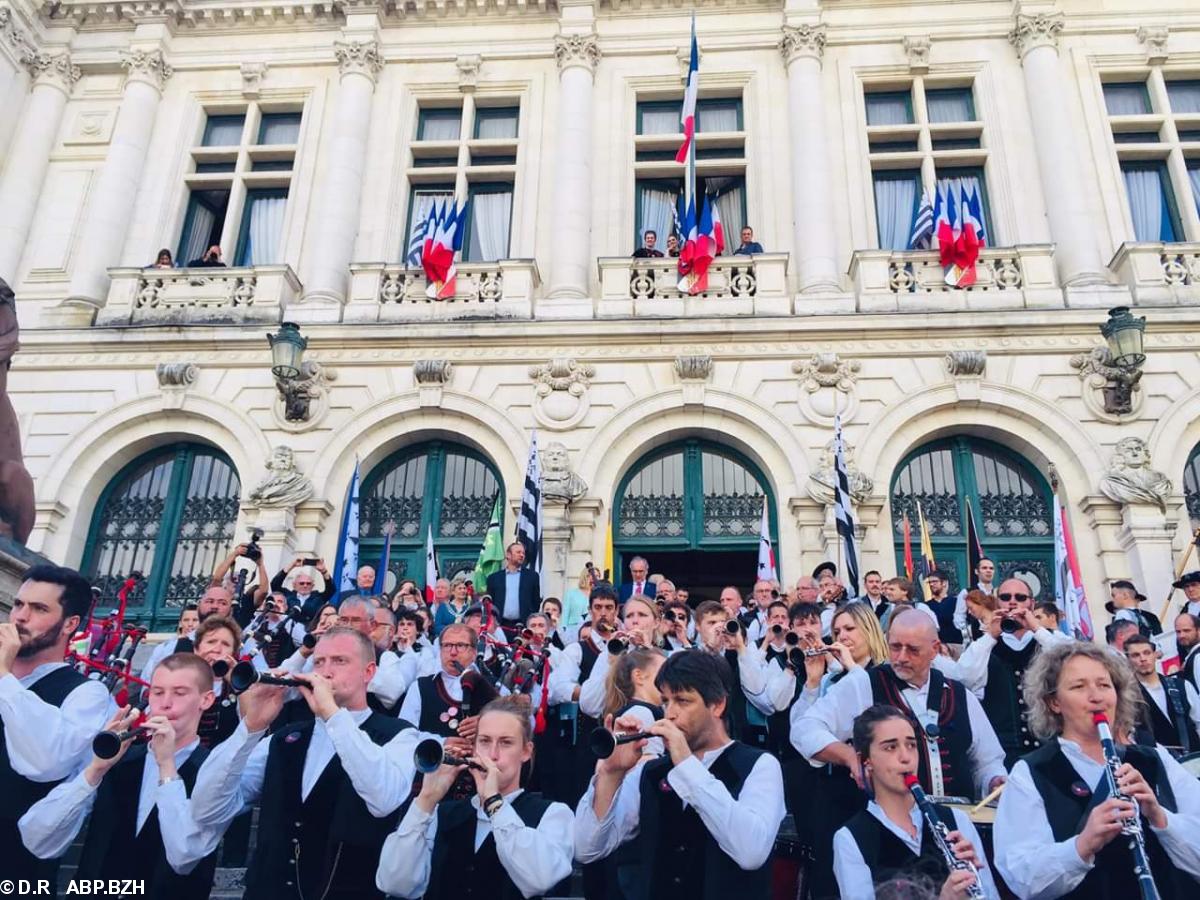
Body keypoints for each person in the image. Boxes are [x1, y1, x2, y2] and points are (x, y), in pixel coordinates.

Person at [191, 627, 421, 899]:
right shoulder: (284, 739)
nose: (325, 671)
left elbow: (384, 799)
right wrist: (250, 727)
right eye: (319, 662)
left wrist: (332, 714)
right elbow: (207, 809)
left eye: (340, 661)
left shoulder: (401, 736)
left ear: (368, 672)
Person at [994, 641, 1200, 898]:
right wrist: (1083, 845)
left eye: (1104, 685)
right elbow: (1022, 878)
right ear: (1054, 702)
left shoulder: (1155, 758)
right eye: (1079, 687)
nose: (1097, 697)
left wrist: (1160, 818)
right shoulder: (1031, 773)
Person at [575, 649, 785, 900]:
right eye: (665, 701)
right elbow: (587, 849)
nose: (670, 713)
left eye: (683, 701)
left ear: (717, 705)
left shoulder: (760, 765)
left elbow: (751, 853)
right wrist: (611, 774)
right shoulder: (651, 772)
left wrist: (686, 764)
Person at [19, 653, 227, 897]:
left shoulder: (213, 769)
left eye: (180, 693)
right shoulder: (118, 761)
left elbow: (185, 855)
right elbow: (37, 837)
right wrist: (95, 770)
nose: (166, 703)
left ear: (206, 699)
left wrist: (167, 766)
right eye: (158, 692)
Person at [796, 609, 1007, 802]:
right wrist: (849, 756)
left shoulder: (959, 695)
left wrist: (993, 781)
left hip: (957, 823)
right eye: (895, 647)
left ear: (934, 649)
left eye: (913, 650)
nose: (902, 657)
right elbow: (805, 728)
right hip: (888, 823)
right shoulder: (863, 684)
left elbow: (987, 761)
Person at [376, 695, 574, 898]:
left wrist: (494, 802)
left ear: (526, 751)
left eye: (506, 743)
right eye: (485, 741)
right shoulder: (441, 814)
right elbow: (395, 883)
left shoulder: (553, 814)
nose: (493, 755)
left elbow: (540, 879)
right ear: (474, 748)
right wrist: (425, 800)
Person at [0, 564, 115, 885]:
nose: (21, 617)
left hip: (17, 871)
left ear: (70, 624)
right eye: (18, 604)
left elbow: (45, 761)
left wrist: (4, 676)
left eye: (39, 609)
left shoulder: (86, 694)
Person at [833, 704, 999, 900]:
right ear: (865, 761)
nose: (906, 758)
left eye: (911, 745)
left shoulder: (956, 821)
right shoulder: (851, 839)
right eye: (891, 747)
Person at [954, 577, 1072, 768]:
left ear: (1031, 603)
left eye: (1020, 597)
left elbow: (1074, 663)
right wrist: (991, 635)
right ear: (997, 603)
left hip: (1052, 751)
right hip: (1004, 755)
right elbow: (964, 678)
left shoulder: (1050, 640)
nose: (1012, 602)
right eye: (1005, 597)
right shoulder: (984, 646)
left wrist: (1036, 629)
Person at [1124, 634, 1200, 755]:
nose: (1143, 658)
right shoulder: (1128, 699)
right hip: (1160, 762)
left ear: (1155, 655)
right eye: (1135, 655)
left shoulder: (1182, 686)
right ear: (1128, 660)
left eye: (1147, 653)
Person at [141, 583, 235, 680]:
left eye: (222, 603)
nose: (214, 606)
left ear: (231, 610)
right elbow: (148, 682)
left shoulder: (239, 650)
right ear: (198, 607)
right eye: (209, 601)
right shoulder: (171, 647)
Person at [486, 542, 541, 630]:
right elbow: (490, 603)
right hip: (500, 625)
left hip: (523, 625)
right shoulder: (494, 578)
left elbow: (536, 602)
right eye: (518, 552)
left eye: (523, 553)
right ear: (508, 555)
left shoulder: (532, 576)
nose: (522, 555)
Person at [270, 557, 334, 623]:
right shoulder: (287, 595)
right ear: (294, 585)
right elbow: (275, 584)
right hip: (287, 627)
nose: (305, 585)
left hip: (310, 628)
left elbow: (331, 589)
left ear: (313, 586)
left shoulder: (319, 598)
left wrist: (324, 571)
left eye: (308, 583)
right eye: (301, 583)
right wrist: (292, 565)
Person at [953, 557, 996, 641]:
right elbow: (959, 617)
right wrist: (968, 633)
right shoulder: (966, 592)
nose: (988, 570)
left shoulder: (998, 592)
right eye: (984, 568)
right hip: (976, 638)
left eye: (991, 568)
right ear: (976, 571)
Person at [1175, 612, 1200, 690]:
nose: (1181, 635)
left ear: (1198, 631)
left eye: (1186, 630)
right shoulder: (1192, 656)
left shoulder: (1198, 657)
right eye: (1178, 632)